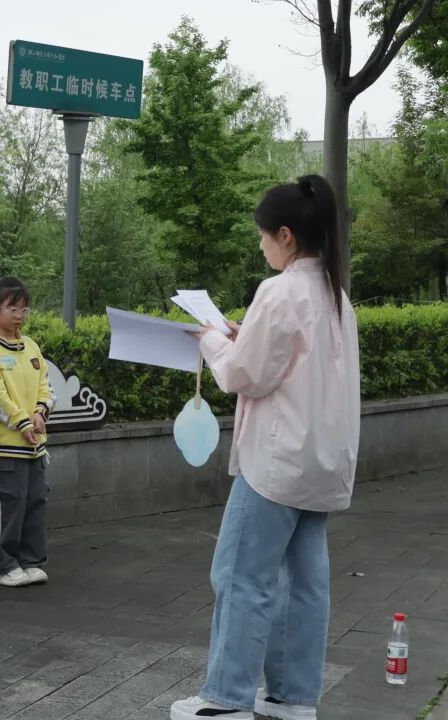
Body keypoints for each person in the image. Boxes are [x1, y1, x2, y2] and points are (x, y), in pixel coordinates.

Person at [169, 175, 360, 720]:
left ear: (286, 235)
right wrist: (240, 333)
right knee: (304, 585)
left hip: (276, 462)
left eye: (263, 236)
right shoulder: (336, 296)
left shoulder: (278, 291)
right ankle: (291, 697)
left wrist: (211, 339)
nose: (261, 245)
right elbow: (285, 360)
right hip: (321, 462)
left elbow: (243, 375)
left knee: (241, 574)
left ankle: (225, 698)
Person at [0, 277, 53, 588]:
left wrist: (40, 412)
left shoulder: (31, 346)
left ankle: (31, 560)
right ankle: (1, 563)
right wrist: (22, 422)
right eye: (13, 308)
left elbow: (45, 384)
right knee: (8, 502)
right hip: (7, 444)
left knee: (35, 501)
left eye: (24, 309)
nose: (20, 315)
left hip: (36, 444)